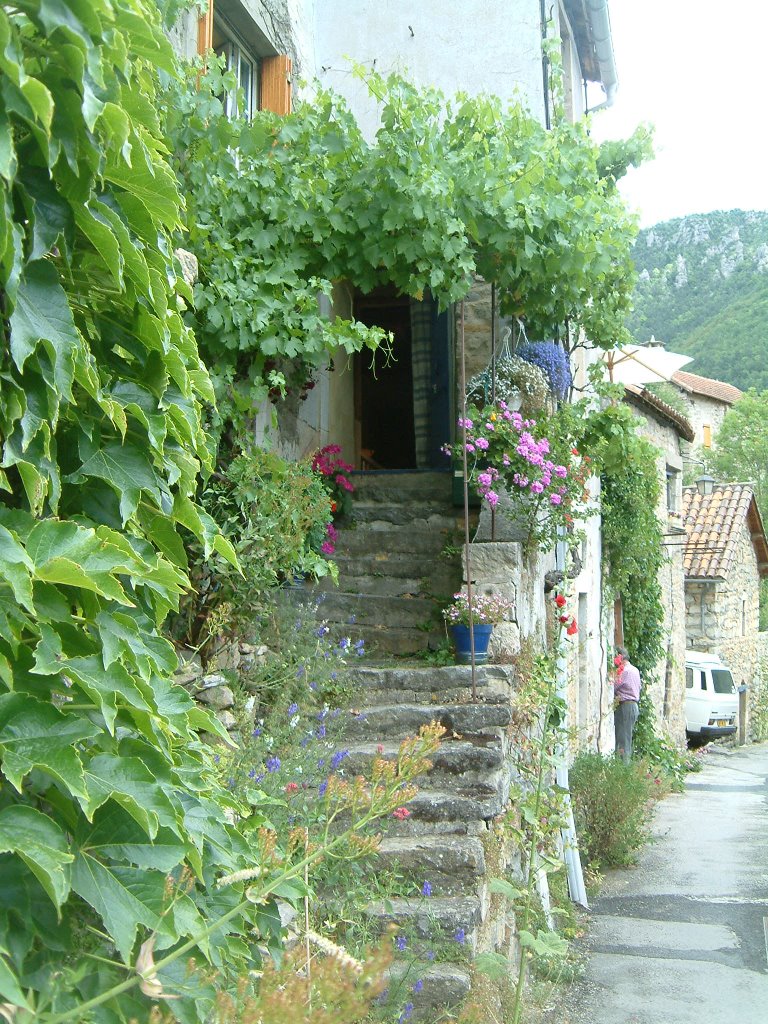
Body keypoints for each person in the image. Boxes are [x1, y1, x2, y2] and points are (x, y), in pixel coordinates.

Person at [613, 646, 641, 763]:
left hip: (625, 706)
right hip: (633, 705)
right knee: (626, 738)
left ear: (620, 658)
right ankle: (624, 765)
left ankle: (623, 768)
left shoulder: (625, 671)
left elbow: (614, 685)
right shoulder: (635, 670)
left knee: (623, 741)